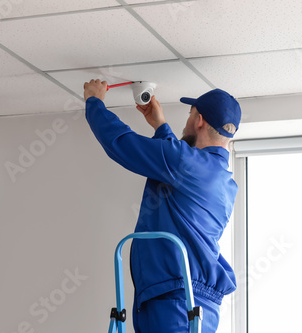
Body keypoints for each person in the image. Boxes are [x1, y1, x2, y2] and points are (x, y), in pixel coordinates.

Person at [83, 79, 241, 332]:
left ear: (199, 120)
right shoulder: (224, 181)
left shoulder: (186, 163)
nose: (187, 122)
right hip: (191, 301)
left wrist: (95, 102)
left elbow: (122, 143)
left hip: (175, 299)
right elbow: (176, 164)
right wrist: (160, 126)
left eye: (190, 116)